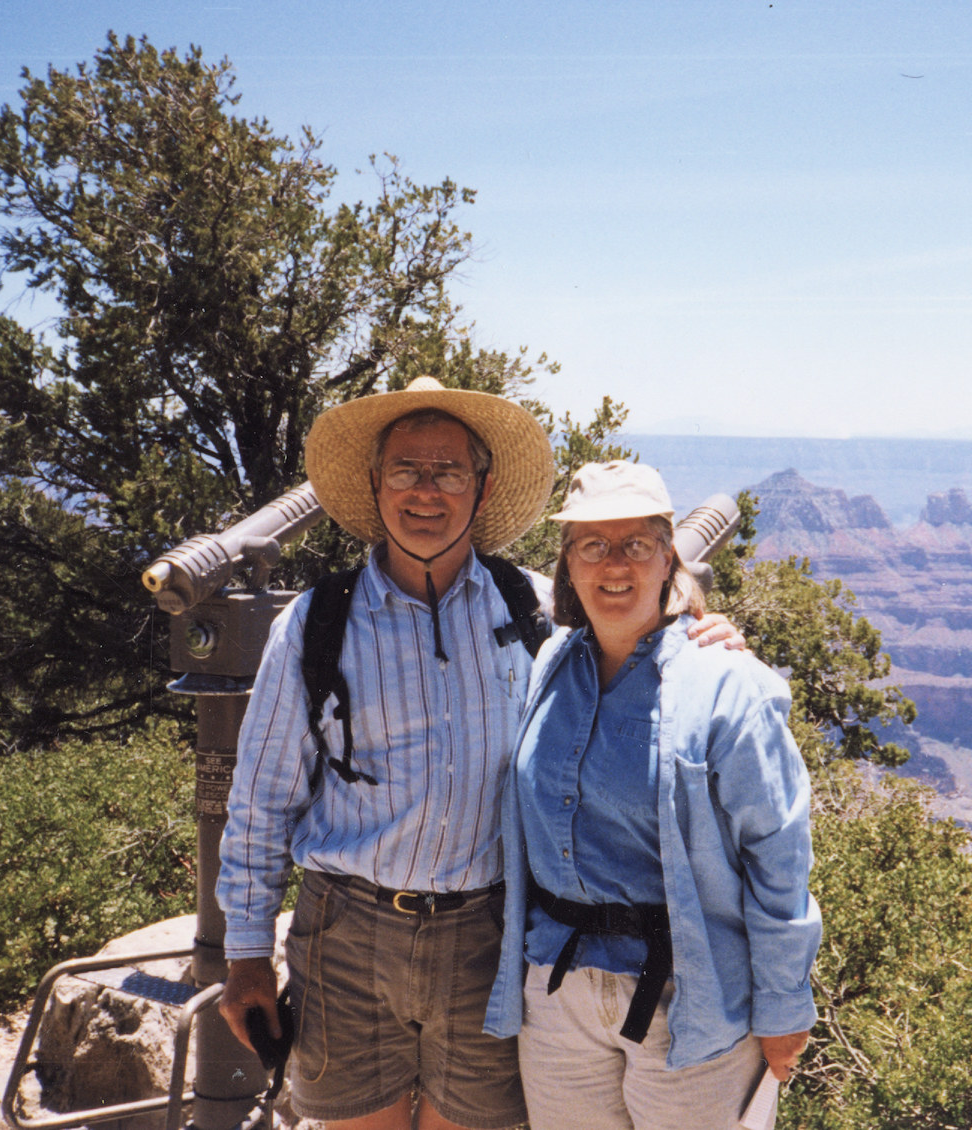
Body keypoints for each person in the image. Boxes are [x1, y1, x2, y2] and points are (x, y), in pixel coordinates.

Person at [216, 379, 740, 1130]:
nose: (426, 491)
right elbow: (262, 797)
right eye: (406, 469)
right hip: (345, 934)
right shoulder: (315, 623)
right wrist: (243, 954)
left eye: (448, 471)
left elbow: (639, 643)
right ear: (374, 483)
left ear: (481, 486)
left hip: (490, 937)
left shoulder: (540, 614)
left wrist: (706, 640)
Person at [483, 461, 820, 1130]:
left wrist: (784, 1007)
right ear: (567, 564)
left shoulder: (726, 687)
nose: (614, 564)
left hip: (687, 998)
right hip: (555, 994)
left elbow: (777, 855)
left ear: (667, 557)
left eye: (636, 544)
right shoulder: (547, 666)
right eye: (592, 545)